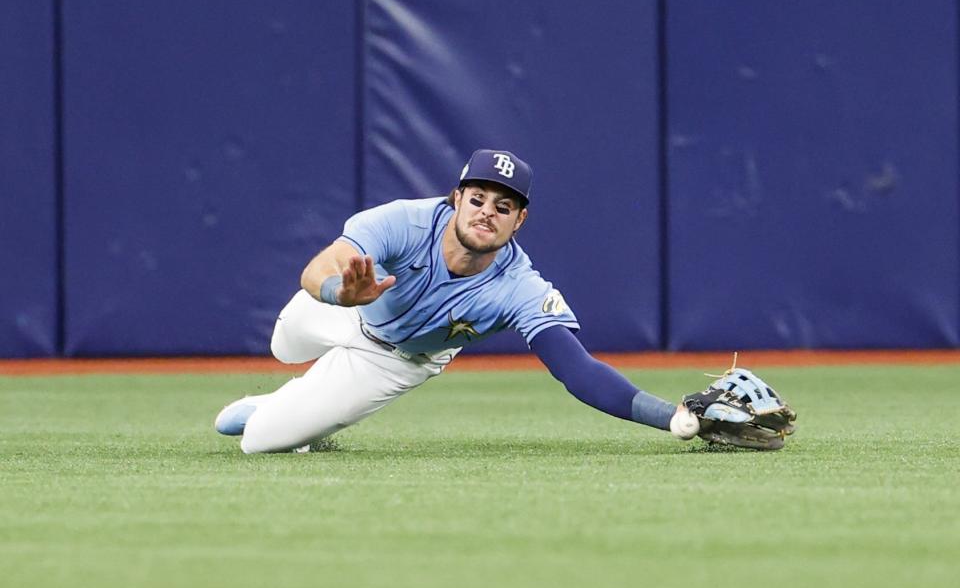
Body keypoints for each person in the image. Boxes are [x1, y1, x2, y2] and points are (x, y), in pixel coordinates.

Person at [215, 149, 691, 453]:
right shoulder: (406, 221)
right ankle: (301, 396)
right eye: (479, 198)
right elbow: (317, 269)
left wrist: (673, 417)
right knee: (283, 345)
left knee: (255, 439)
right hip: (346, 310)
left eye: (503, 206)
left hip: (394, 362)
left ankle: (283, 409)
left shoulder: (519, 286)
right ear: (456, 198)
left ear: (519, 220)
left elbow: (578, 370)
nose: (488, 212)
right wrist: (339, 293)